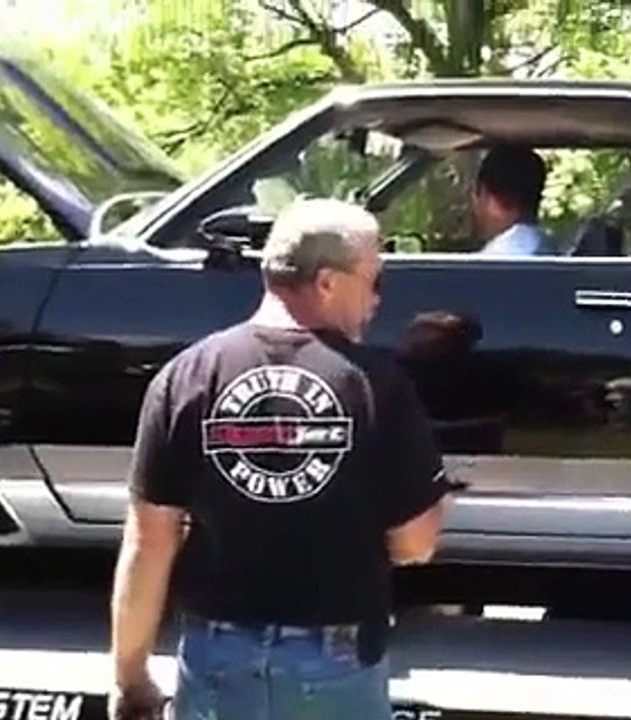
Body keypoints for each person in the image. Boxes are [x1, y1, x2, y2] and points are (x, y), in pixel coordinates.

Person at [106, 197, 457, 719]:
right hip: (335, 663)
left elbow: (149, 543)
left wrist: (130, 677)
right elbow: (415, 542)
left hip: (215, 658)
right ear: (327, 282)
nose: (378, 300)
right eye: (374, 280)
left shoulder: (187, 376)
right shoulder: (376, 385)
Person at [472, 144, 551, 255]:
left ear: (500, 200)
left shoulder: (493, 259)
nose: (477, 210)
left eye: (479, 198)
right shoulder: (552, 249)